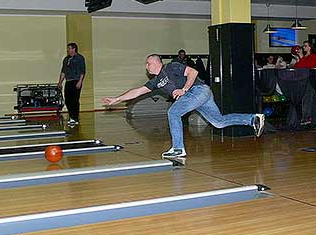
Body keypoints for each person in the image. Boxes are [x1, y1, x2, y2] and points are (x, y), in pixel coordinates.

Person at [103, 54, 265, 158]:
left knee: (173, 112)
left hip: (198, 90)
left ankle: (178, 149)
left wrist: (184, 89)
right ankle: (253, 119)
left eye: (148, 63)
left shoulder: (171, 66)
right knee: (219, 122)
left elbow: (193, 72)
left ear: (157, 63)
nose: (146, 66)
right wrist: (116, 99)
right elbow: (137, 91)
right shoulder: (155, 81)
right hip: (200, 95)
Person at [58, 43, 86, 125]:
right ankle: (71, 116)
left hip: (76, 80)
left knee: (75, 100)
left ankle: (75, 118)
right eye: (67, 49)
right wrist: (60, 82)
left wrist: (80, 81)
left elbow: (82, 71)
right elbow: (63, 71)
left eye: (69, 48)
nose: (68, 50)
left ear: (74, 49)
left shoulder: (80, 58)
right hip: (69, 81)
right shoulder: (66, 59)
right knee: (67, 100)